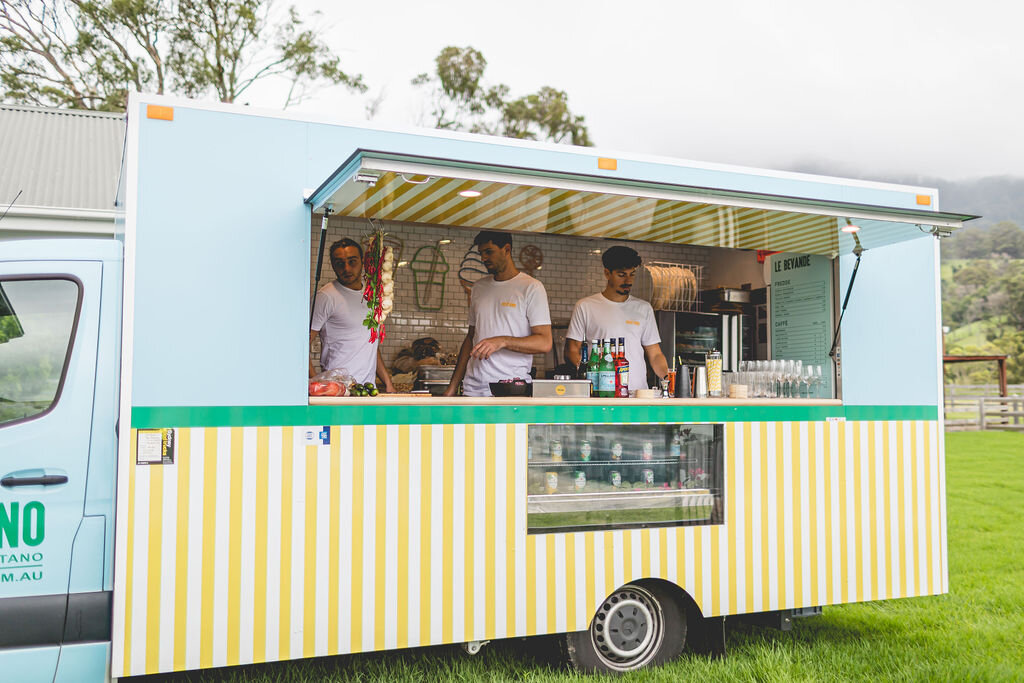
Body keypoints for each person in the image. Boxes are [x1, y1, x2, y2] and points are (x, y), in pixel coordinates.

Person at [444, 230, 552, 397]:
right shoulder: (478, 288)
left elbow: (544, 342)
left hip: (511, 390)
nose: (483, 258)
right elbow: (470, 338)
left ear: (506, 249)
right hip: (472, 390)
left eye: (489, 252)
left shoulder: (531, 287)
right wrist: (452, 388)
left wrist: (502, 341)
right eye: (481, 253)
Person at [565, 245, 669, 391]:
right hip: (600, 393)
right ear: (607, 274)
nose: (628, 280)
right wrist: (591, 376)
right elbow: (572, 350)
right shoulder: (585, 306)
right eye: (621, 275)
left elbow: (655, 354)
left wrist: (668, 379)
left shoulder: (644, 308)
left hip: (637, 393)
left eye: (632, 274)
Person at [310, 238, 396, 392]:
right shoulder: (325, 297)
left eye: (352, 261)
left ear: (363, 262)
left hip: (367, 391)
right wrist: (319, 386)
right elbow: (301, 347)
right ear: (333, 265)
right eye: (340, 263)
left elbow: (370, 344)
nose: (347, 268)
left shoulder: (371, 294)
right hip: (337, 392)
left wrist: (388, 384)